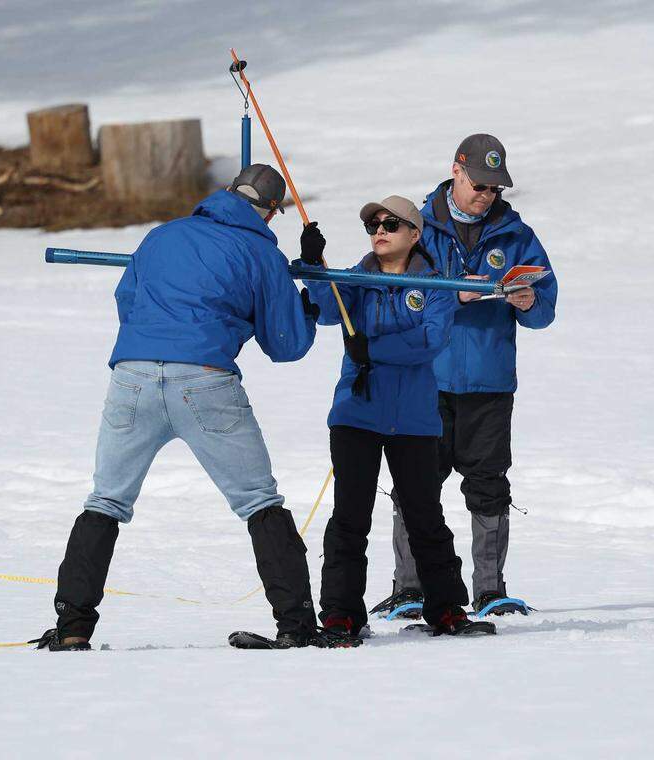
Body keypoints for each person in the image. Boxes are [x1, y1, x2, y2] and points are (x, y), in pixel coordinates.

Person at [34, 164, 342, 651]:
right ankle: (297, 624)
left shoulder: (162, 235)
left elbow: (127, 299)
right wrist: (302, 301)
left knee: (106, 501)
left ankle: (72, 626)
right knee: (258, 500)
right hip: (204, 379)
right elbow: (286, 346)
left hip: (131, 375)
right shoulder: (262, 250)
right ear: (269, 212)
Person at [372, 134, 558, 619]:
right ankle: (409, 590)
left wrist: (529, 301)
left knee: (489, 485)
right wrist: (451, 297)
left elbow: (546, 311)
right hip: (424, 380)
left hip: (489, 383)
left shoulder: (517, 234)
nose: (487, 195)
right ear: (456, 170)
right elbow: (391, 291)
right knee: (415, 485)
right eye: (480, 184)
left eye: (496, 188)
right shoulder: (416, 227)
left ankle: (491, 591)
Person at [301, 195, 493, 640]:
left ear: (414, 233)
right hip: (356, 414)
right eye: (372, 225)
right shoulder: (355, 278)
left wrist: (374, 349)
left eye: (390, 223)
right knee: (351, 516)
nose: (379, 230)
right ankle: (341, 614)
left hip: (413, 421)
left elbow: (429, 342)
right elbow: (328, 310)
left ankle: (446, 609)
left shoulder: (436, 286)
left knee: (424, 515)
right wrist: (313, 264)